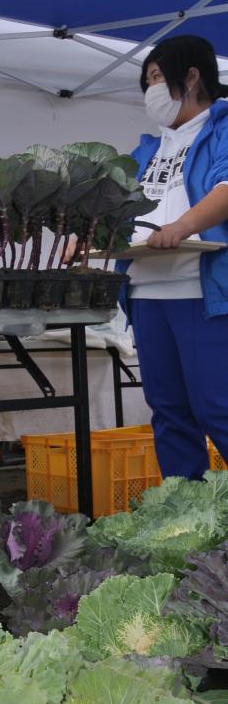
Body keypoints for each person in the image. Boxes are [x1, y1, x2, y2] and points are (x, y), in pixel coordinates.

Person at [119, 34, 228, 480]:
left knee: (217, 408)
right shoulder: (147, 150)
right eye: (147, 82)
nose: (151, 92)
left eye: (157, 78)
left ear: (192, 75)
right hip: (147, 293)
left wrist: (180, 227)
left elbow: (226, 189)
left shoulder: (221, 129)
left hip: (203, 292)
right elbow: (113, 206)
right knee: (168, 413)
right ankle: (189, 524)